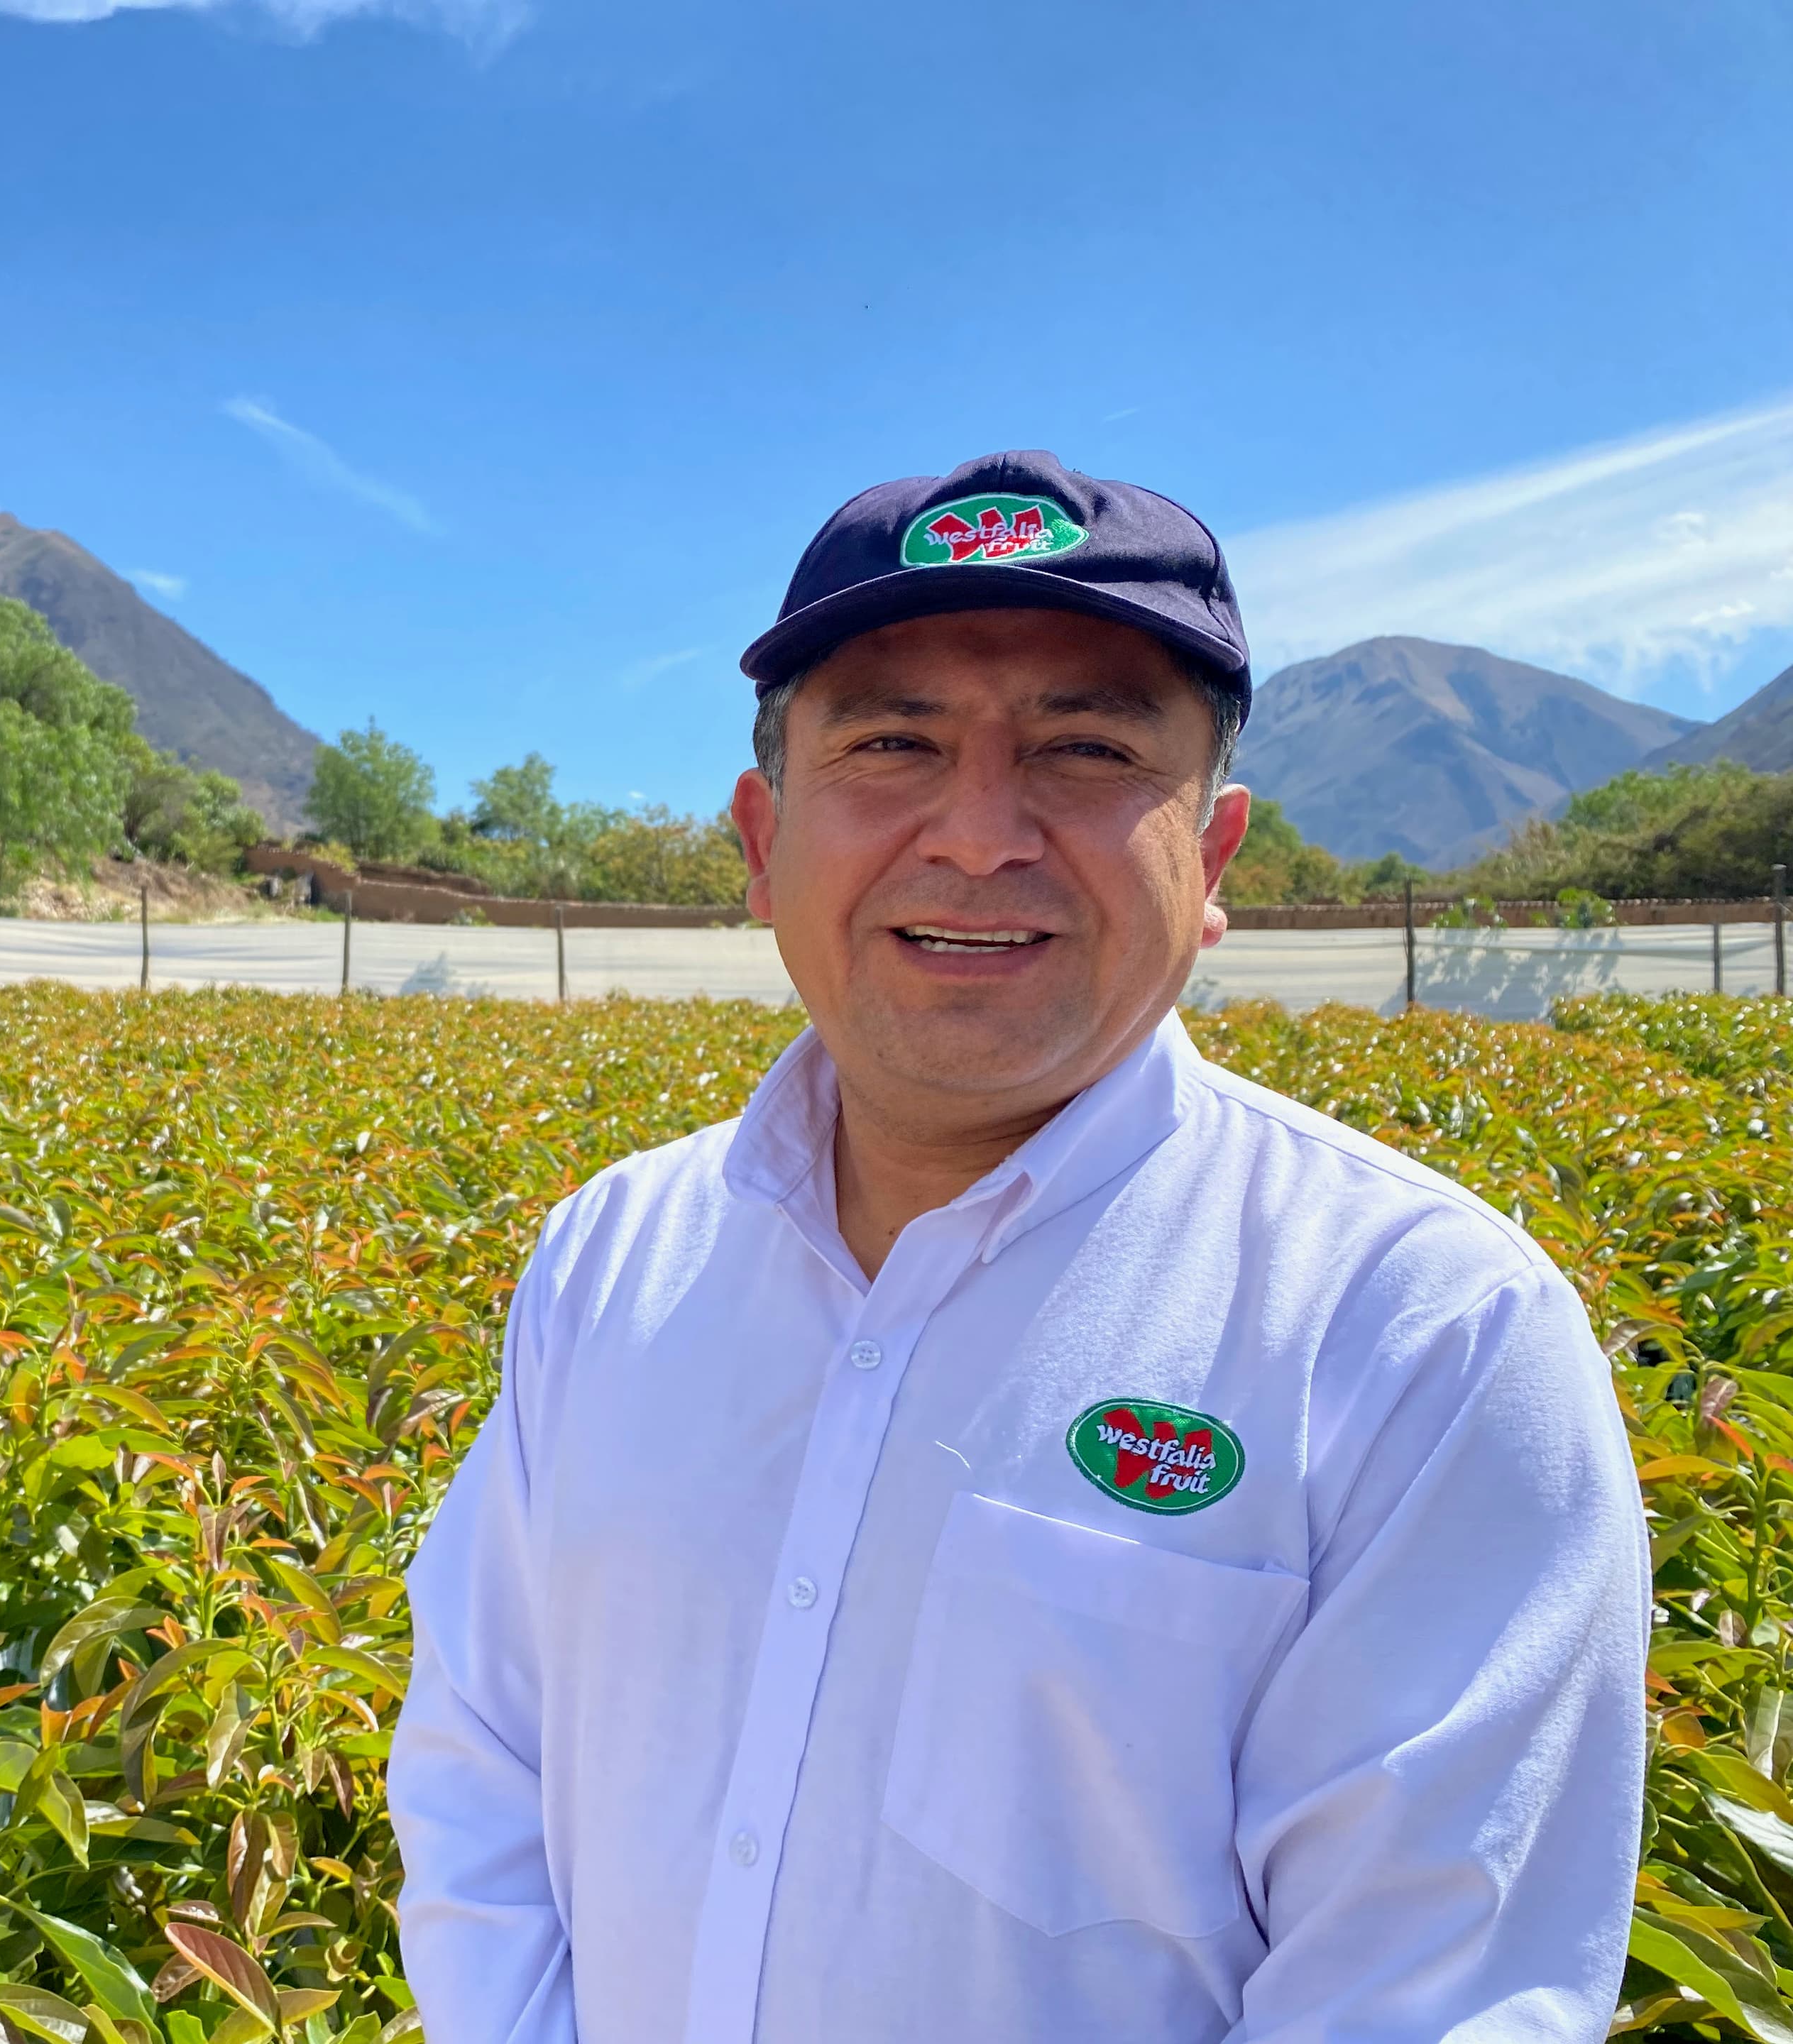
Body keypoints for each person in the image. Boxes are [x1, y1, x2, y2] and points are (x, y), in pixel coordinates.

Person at [384, 451, 1648, 2043]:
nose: (980, 835)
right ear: (764, 839)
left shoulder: (1423, 1334)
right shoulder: (607, 1259)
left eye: (1088, 748)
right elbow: (479, 1764)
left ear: (1217, 861)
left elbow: (1428, 1996)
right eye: (893, 742)